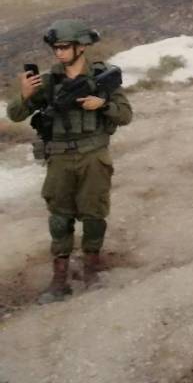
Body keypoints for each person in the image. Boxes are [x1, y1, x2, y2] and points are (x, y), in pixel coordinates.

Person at [6, 19, 133, 304]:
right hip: (60, 158)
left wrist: (103, 105)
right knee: (60, 218)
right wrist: (25, 96)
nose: (59, 53)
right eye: (56, 48)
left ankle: (92, 270)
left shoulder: (102, 77)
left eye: (64, 47)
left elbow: (125, 115)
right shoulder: (49, 82)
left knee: (94, 213)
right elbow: (14, 115)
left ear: (80, 46)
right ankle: (59, 279)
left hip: (93, 155)